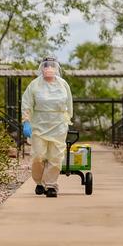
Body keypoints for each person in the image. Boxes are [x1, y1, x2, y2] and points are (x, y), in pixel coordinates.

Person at [21, 56, 73, 198]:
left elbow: (69, 104)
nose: (49, 68)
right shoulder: (34, 85)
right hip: (39, 125)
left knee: (55, 156)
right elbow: (26, 103)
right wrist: (26, 121)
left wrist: (67, 119)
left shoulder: (63, 85)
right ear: (42, 68)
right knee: (38, 156)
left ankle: (51, 185)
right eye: (46, 65)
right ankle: (39, 182)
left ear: (56, 68)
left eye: (52, 65)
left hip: (58, 125)